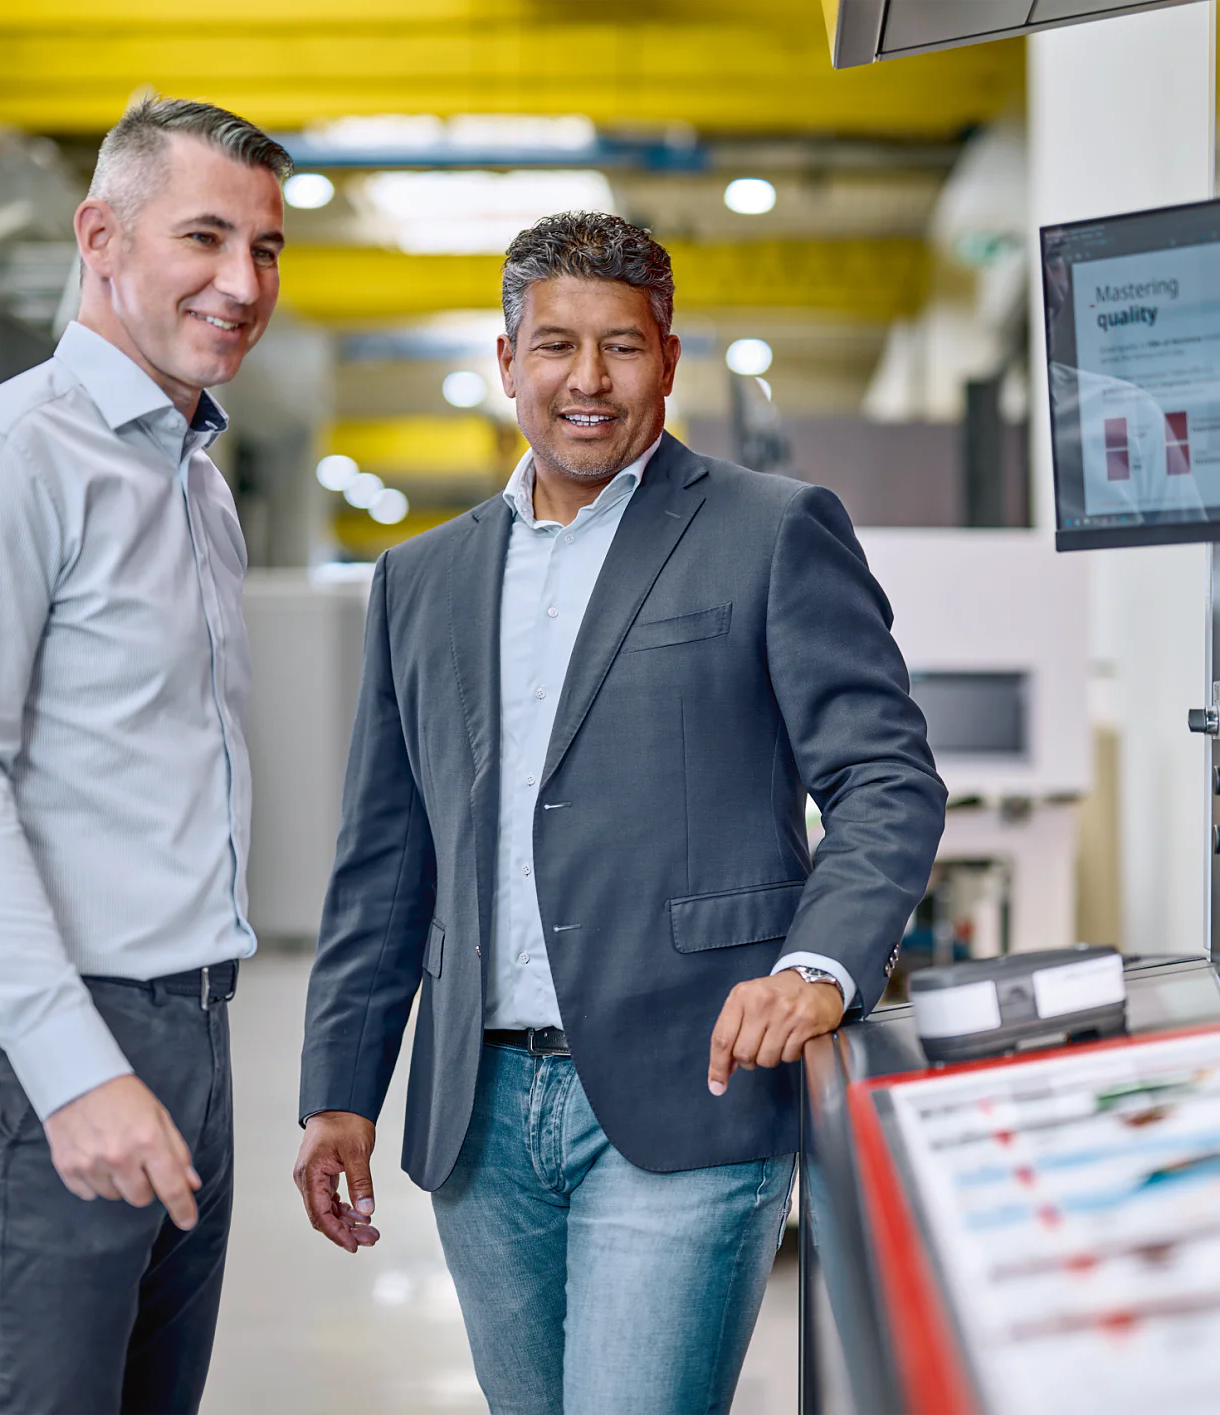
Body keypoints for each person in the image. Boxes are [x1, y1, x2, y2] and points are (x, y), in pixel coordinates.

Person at [294, 212, 946, 1414]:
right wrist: (340, 1087)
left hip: (688, 1088)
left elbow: (885, 776)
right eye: (555, 345)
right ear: (507, 361)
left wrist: (817, 965)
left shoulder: (769, 529)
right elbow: (385, 855)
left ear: (669, 360)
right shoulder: (421, 579)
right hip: (480, 1118)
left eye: (622, 346)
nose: (586, 379)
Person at [0, 98, 289, 1415]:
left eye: (266, 248)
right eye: (204, 238)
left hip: (189, 1025)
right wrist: (76, 1066)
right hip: (33, 1042)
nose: (242, 284)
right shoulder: (6, 456)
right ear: (100, 238)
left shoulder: (197, 481)